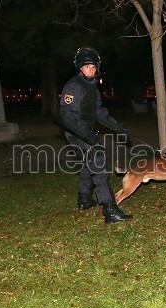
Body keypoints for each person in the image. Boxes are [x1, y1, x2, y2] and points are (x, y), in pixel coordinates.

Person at [58, 46, 133, 224]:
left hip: (86, 131)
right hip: (75, 132)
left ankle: (84, 199)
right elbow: (66, 115)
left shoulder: (92, 87)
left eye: (93, 66)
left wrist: (119, 129)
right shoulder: (74, 86)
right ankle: (109, 210)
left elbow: (100, 113)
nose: (90, 70)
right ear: (79, 67)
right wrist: (85, 135)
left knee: (88, 165)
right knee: (98, 166)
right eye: (86, 66)